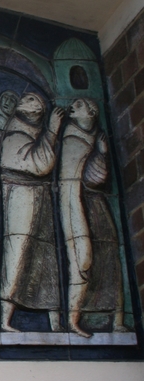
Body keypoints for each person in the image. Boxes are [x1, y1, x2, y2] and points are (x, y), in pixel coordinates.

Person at [59, 98, 127, 338]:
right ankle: (73, 319)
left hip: (96, 205)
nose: (71, 108)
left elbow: (98, 179)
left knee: (110, 260)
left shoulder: (97, 137)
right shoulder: (70, 136)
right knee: (81, 261)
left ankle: (118, 319)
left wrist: (102, 153)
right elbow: (75, 178)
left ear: (91, 111)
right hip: (76, 206)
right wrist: (100, 154)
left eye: (78, 105)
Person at [0, 92, 64, 333]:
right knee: (17, 252)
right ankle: (5, 319)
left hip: (40, 195)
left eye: (37, 100)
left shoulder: (32, 132)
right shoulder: (14, 134)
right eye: (27, 99)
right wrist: (53, 130)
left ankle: (56, 322)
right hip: (21, 194)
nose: (36, 103)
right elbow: (41, 164)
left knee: (45, 256)